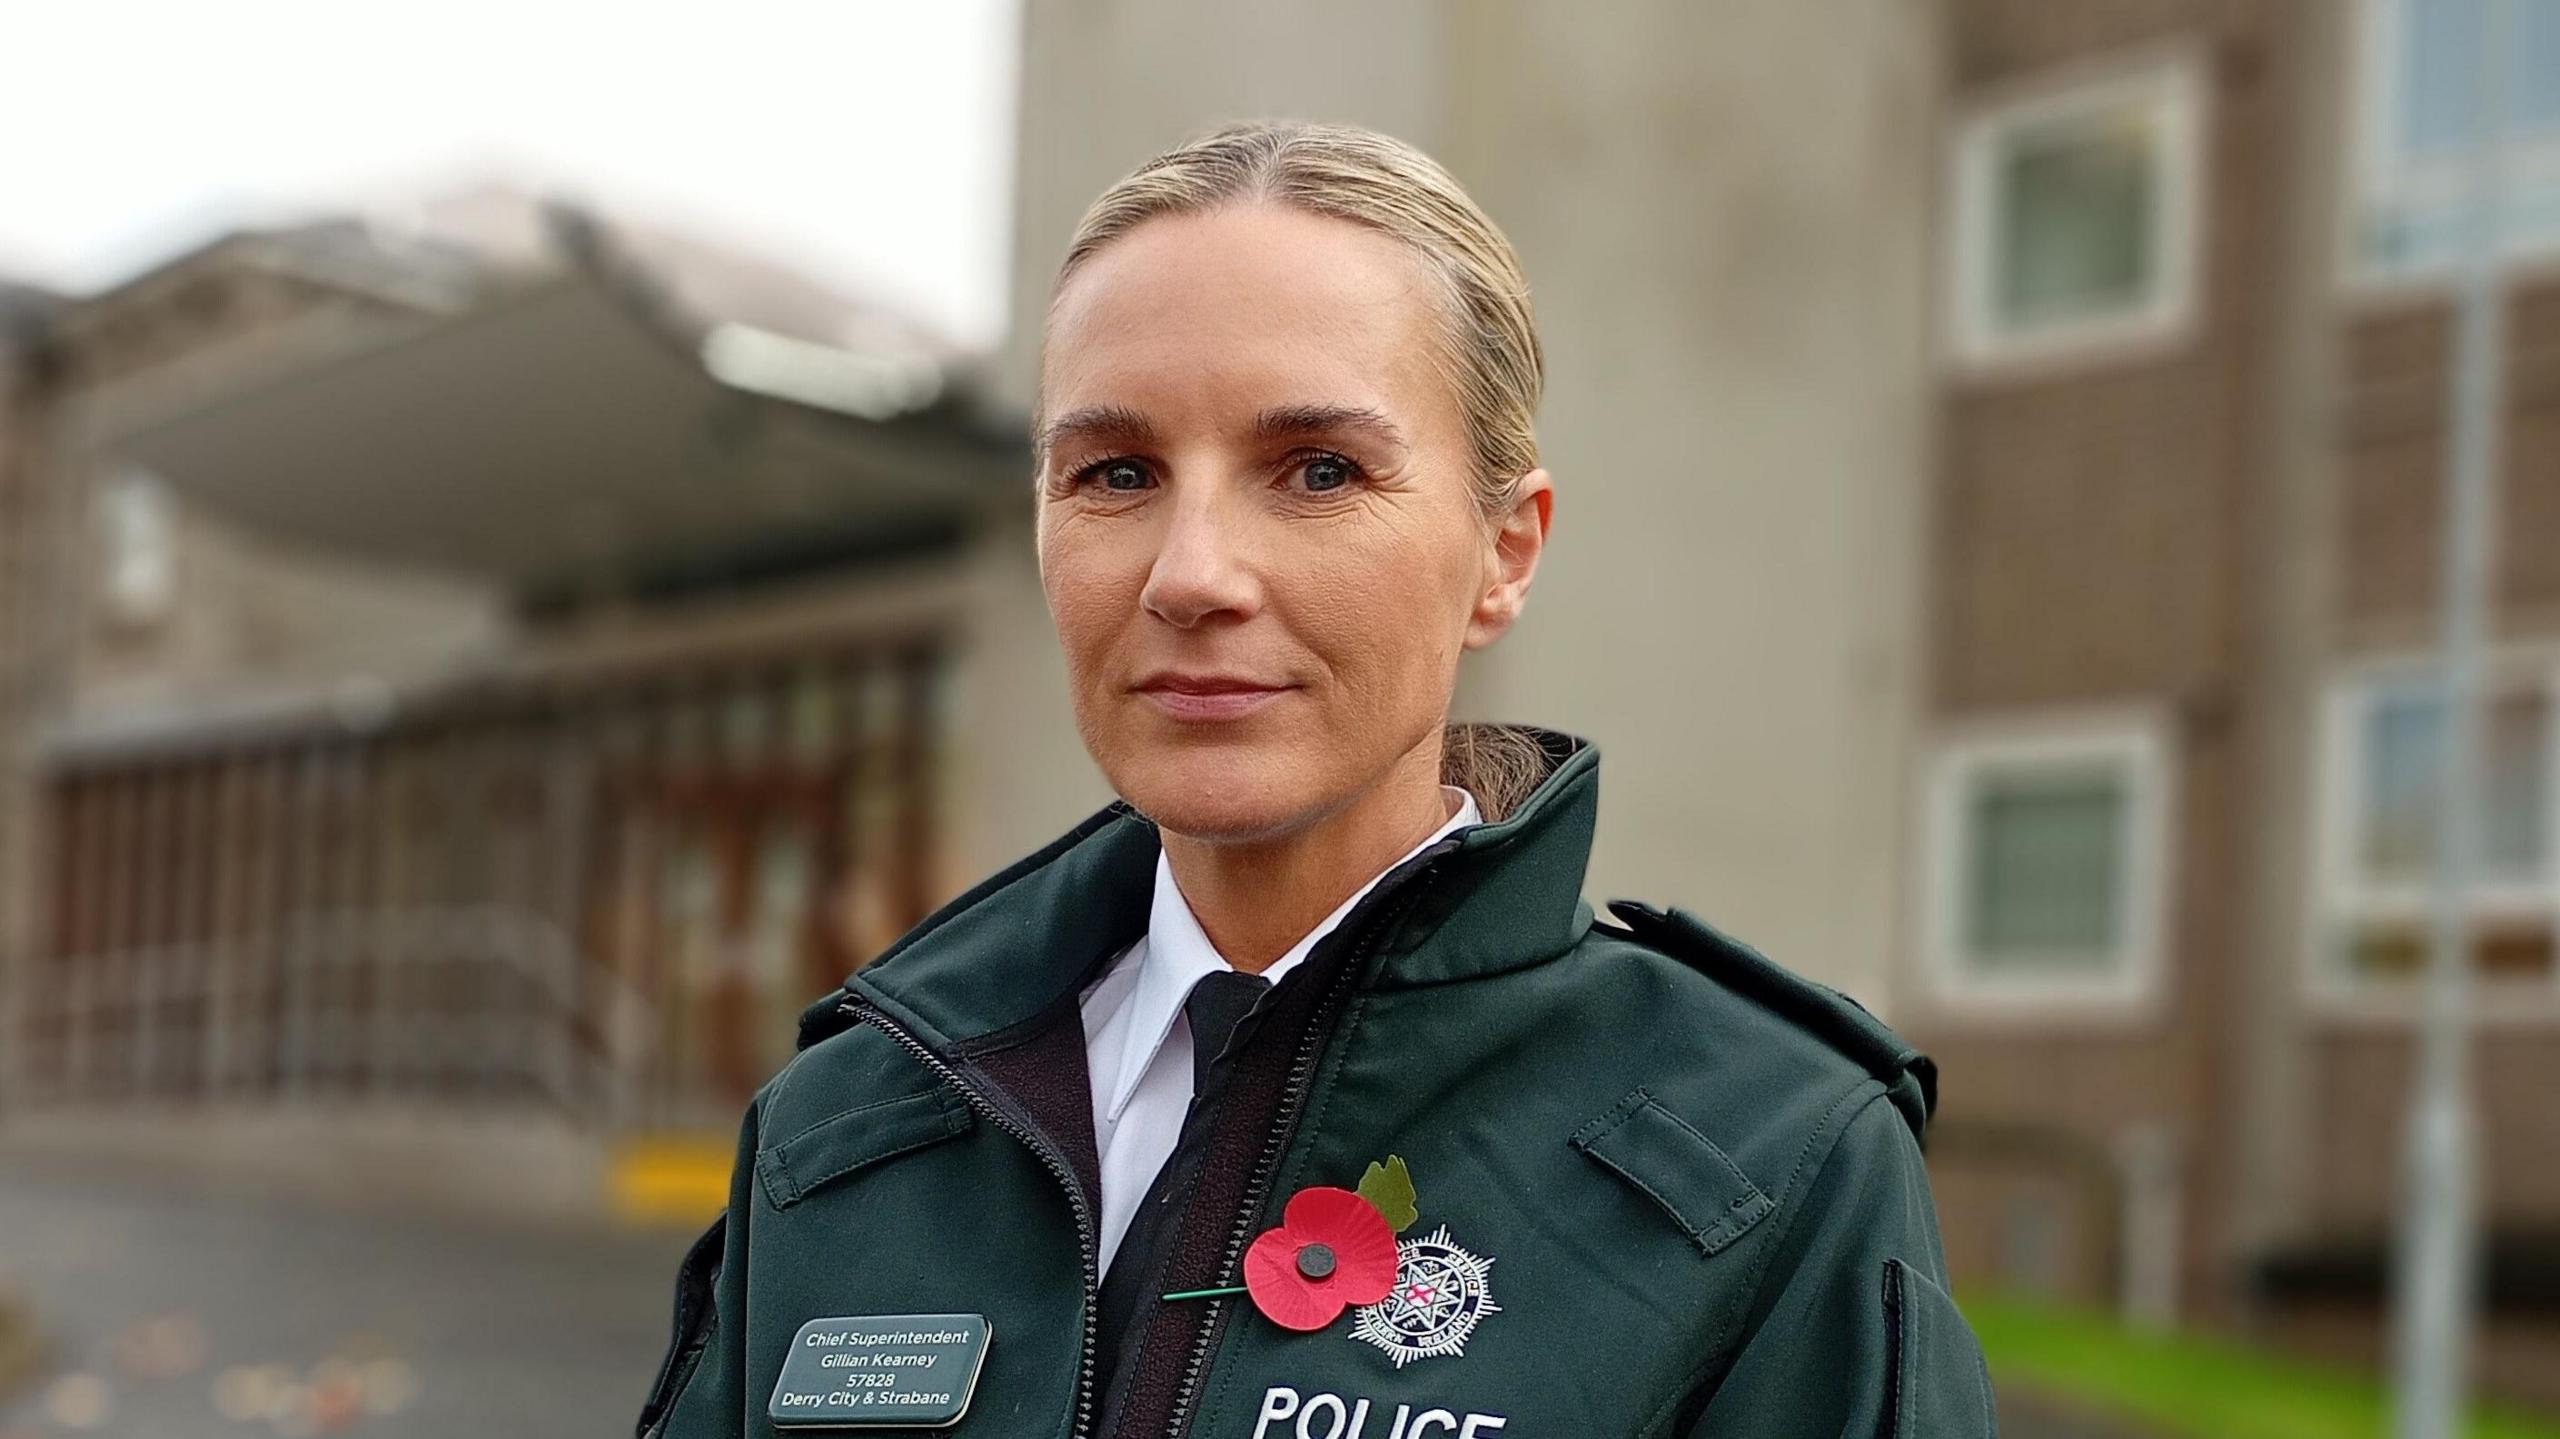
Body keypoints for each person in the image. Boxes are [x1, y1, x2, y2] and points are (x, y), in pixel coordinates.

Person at [637, 119, 1994, 1439]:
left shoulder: (1764, 1163)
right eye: (1116, 472)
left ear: (1504, 552)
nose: (1193, 576)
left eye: (1321, 470)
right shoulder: (852, 1128)